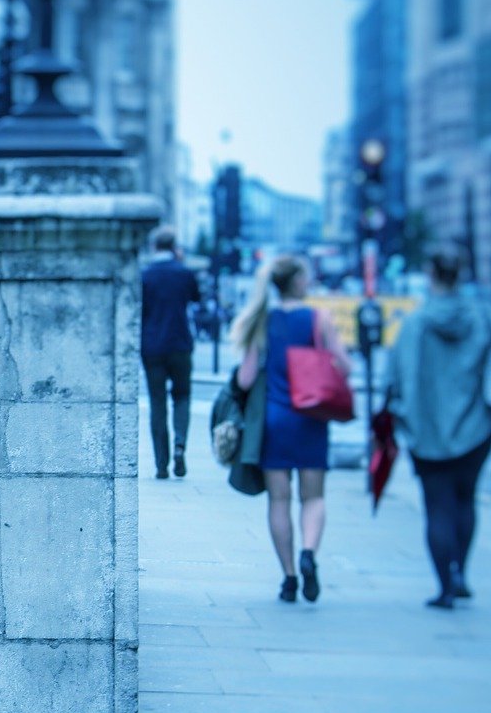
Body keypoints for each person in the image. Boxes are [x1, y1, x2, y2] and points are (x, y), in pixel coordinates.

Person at [385, 244, 491, 609]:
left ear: (430, 273)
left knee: (437, 506)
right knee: (465, 499)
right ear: (460, 273)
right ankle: (461, 574)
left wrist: (390, 420)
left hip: (426, 430)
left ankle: (444, 586)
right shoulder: (483, 315)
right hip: (475, 428)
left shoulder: (415, 323)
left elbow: (393, 378)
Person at [231, 253, 349, 604]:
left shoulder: (262, 321)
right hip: (311, 417)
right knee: (313, 497)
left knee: (279, 500)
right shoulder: (318, 319)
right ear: (297, 281)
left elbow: (245, 379)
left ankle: (289, 578)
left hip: (274, 421)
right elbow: (345, 365)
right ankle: (309, 553)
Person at [140, 226, 202, 479]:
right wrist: (181, 261)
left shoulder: (145, 275)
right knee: (182, 396)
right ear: (174, 246)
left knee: (157, 403)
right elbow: (196, 298)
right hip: (180, 343)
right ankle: (180, 445)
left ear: (154, 246)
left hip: (152, 346)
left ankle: (161, 464)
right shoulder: (184, 273)